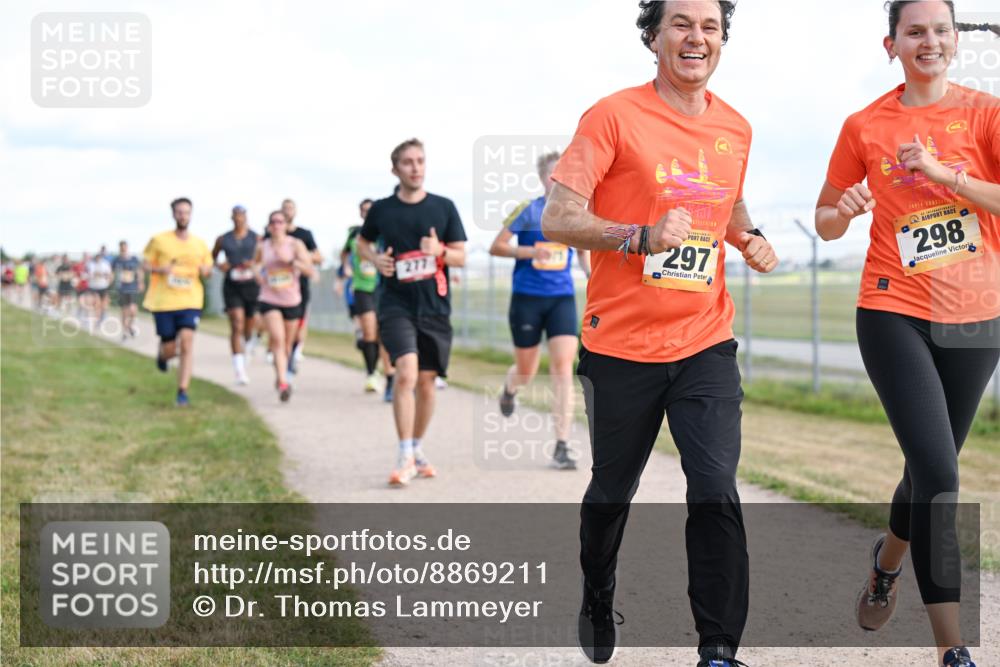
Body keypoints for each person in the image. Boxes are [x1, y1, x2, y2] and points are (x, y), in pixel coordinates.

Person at [541, 2, 780, 665]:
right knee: (612, 492)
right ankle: (598, 587)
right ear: (653, 36)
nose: (695, 36)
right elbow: (559, 218)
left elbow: (727, 201)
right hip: (621, 345)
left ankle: (718, 648)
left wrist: (749, 236)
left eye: (709, 26)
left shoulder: (737, 126)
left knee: (713, 484)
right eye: (680, 23)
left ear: (722, 40)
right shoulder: (613, 116)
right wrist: (640, 236)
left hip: (705, 337)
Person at [815, 3, 999, 666]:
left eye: (941, 29)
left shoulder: (987, 113)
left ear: (955, 40)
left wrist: (945, 175)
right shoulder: (865, 124)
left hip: (977, 314)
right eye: (914, 31)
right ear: (891, 44)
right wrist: (843, 209)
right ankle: (953, 649)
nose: (929, 41)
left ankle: (885, 566)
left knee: (926, 466)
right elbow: (825, 218)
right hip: (893, 307)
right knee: (941, 473)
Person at [358, 138, 467, 487]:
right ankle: (404, 452)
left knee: (427, 383)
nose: (415, 167)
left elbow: (461, 256)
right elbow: (362, 243)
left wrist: (439, 250)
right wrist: (376, 259)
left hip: (434, 307)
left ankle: (417, 448)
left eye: (420, 160)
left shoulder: (444, 207)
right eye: (407, 162)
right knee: (405, 374)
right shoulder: (382, 210)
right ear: (395, 169)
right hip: (395, 305)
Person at [490, 151, 591, 470]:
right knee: (527, 370)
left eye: (564, 173)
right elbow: (497, 246)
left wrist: (593, 279)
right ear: (542, 178)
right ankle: (509, 390)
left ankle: (561, 444)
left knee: (563, 370)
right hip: (526, 300)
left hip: (561, 298)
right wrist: (529, 250)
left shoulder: (574, 215)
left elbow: (583, 255)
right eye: (552, 173)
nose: (558, 179)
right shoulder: (528, 211)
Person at [142, 197, 213, 407]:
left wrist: (205, 270)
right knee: (171, 348)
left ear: (191, 215)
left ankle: (182, 391)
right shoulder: (159, 240)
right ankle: (163, 356)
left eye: (186, 212)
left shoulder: (199, 243)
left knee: (188, 342)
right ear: (173, 214)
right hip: (164, 301)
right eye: (179, 212)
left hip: (191, 300)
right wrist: (159, 269)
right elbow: (145, 264)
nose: (183, 216)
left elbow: (208, 269)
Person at [254, 210, 316, 402]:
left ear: (286, 225)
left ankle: (282, 374)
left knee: (288, 344)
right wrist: (259, 275)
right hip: (269, 298)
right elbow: (255, 266)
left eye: (280, 222)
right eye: (272, 222)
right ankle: (283, 382)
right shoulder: (262, 246)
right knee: (277, 339)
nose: (276, 225)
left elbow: (310, 270)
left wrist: (292, 262)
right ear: (268, 226)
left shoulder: (295, 244)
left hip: (291, 300)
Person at [340, 198, 394, 394]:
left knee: (384, 334)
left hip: (384, 287)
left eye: (370, 210)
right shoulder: (355, 234)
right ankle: (372, 374)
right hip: (362, 287)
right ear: (360, 213)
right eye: (364, 210)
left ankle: (390, 377)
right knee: (370, 332)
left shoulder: (386, 231)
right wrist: (345, 267)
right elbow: (344, 253)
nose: (367, 213)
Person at [266, 198, 322, 374]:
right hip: (272, 291)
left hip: (297, 288)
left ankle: (290, 355)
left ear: (295, 212)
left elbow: (318, 258)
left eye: (291, 208)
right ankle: (279, 357)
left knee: (296, 330)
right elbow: (258, 258)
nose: (288, 211)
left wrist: (298, 259)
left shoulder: (303, 235)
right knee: (277, 331)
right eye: (285, 208)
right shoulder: (269, 236)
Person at [213, 205, 260, 385]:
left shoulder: (256, 238)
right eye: (236, 216)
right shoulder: (223, 239)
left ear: (246, 218)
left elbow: (263, 258)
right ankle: (239, 370)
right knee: (236, 323)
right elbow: (213, 258)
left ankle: (248, 343)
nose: (239, 219)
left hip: (251, 285)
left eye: (242, 216)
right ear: (232, 218)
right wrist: (220, 265)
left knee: (250, 325)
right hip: (232, 285)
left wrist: (254, 264)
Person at [112, 241, 143, 339]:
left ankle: (129, 326)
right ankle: (124, 331)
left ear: (127, 247)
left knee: (133, 310)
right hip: (122, 288)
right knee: (124, 311)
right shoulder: (116, 260)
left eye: (124, 247)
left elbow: (139, 271)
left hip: (132, 287)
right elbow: (112, 273)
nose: (123, 249)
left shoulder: (134, 259)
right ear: (119, 248)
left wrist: (140, 282)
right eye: (121, 248)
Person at [85, 249, 114, 325]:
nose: (98, 258)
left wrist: (108, 282)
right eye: (97, 257)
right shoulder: (90, 264)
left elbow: (110, 275)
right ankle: (96, 319)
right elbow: (87, 274)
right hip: (93, 286)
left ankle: (102, 316)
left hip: (103, 286)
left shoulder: (106, 264)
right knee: (96, 302)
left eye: (100, 257)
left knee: (103, 304)